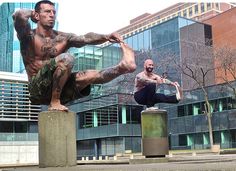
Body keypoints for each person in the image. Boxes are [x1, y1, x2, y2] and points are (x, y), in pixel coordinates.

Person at [13, 0, 136, 111]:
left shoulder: (63, 38)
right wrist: (32, 12)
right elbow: (19, 15)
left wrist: (106, 36)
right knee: (66, 58)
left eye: (53, 12)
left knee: (89, 76)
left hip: (60, 89)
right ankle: (54, 102)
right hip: (37, 91)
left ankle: (122, 68)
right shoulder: (28, 36)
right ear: (37, 15)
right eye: (47, 11)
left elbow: (86, 38)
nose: (52, 15)